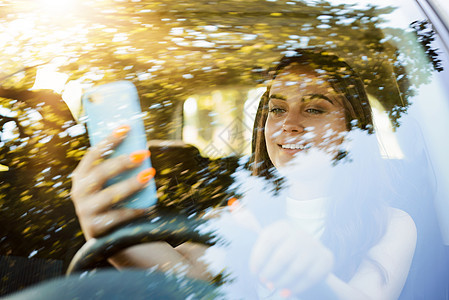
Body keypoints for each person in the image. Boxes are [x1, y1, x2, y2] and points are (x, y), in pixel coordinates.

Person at [70, 49, 417, 299]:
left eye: (313, 108)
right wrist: (110, 229)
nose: (289, 124)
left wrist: (313, 278)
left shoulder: (390, 224)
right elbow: (180, 275)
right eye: (277, 108)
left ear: (352, 127)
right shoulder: (238, 214)